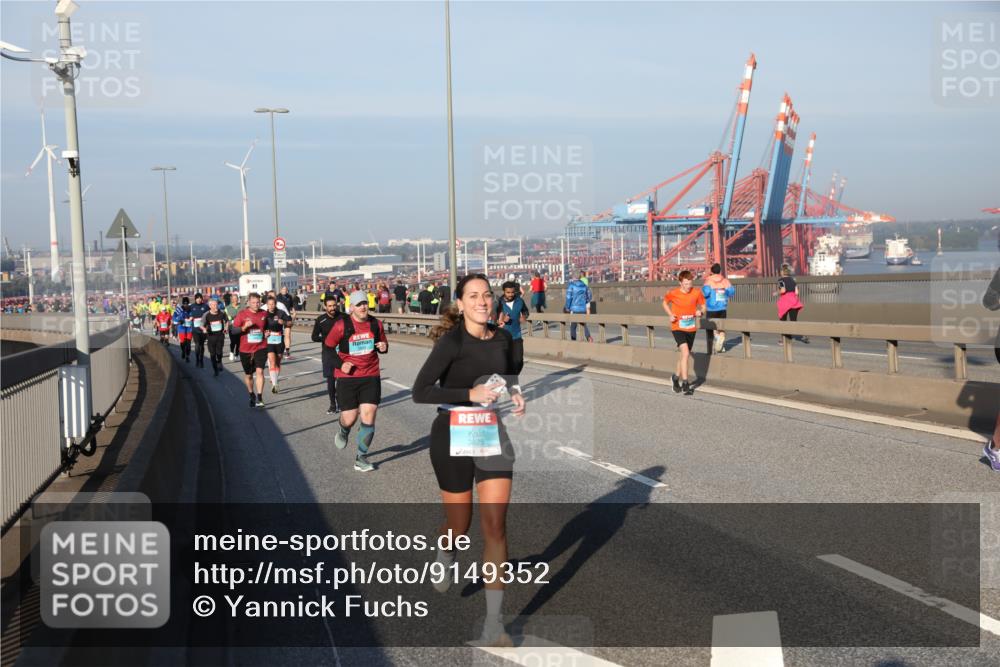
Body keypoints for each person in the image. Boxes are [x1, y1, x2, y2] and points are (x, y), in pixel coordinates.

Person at [411, 274, 526, 647]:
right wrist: (468, 393)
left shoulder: (504, 338)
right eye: (473, 296)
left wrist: (515, 392)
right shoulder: (451, 342)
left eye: (487, 295)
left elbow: (508, 373)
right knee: (460, 526)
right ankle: (445, 550)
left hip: (490, 432)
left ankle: (495, 623)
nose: (482, 301)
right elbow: (420, 391)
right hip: (451, 431)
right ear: (459, 304)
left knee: (496, 527)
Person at [325, 290, 389, 472]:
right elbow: (328, 349)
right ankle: (344, 430)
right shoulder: (341, 325)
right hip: (347, 378)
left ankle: (361, 457)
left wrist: (384, 347)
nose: (363, 307)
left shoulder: (376, 324)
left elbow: (382, 344)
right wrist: (341, 363)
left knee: (369, 414)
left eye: (365, 304)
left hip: (370, 375)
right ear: (351, 307)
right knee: (350, 417)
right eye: (359, 304)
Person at [663, 270, 705, 395]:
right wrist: (670, 314)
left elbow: (703, 305)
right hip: (677, 328)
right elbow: (664, 303)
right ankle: (685, 382)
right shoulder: (674, 293)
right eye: (686, 284)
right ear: (680, 283)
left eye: (690, 284)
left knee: (683, 356)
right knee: (686, 353)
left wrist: (701, 312)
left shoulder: (696, 293)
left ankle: (675, 378)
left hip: (691, 328)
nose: (688, 286)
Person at [233, 292, 269, 408]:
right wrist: (244, 327)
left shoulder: (264, 314)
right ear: (248, 302)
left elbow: (267, 327)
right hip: (245, 349)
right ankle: (251, 394)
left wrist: (267, 333)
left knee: (260, 371)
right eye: (253, 302)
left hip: (261, 347)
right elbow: (233, 331)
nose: (256, 304)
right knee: (248, 375)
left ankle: (259, 397)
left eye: (258, 302)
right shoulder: (242, 314)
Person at [312, 296, 342, 414]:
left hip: (342, 352)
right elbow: (314, 337)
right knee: (331, 380)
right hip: (328, 353)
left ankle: (341, 402)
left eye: (334, 305)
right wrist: (327, 338)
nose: (332, 308)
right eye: (329, 306)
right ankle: (333, 404)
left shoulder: (343, 317)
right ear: (325, 306)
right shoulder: (320, 320)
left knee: (341, 379)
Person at [495, 281, 530, 374]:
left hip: (516, 335)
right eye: (508, 292)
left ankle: (512, 378)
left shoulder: (520, 301)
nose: (510, 294)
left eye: (512, 292)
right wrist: (501, 319)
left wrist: (524, 316)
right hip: (502, 337)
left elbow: (526, 311)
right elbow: (492, 319)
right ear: (503, 291)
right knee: (504, 363)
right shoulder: (499, 303)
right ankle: (509, 380)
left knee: (519, 361)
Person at [702, 263, 735, 354]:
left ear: (711, 271)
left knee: (711, 328)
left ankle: (715, 341)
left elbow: (706, 293)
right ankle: (721, 346)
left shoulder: (708, 281)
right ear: (720, 271)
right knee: (721, 327)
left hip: (712, 308)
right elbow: (731, 292)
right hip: (722, 308)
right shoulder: (725, 280)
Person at [264, 294, 292, 393]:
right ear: (267, 305)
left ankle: (275, 379)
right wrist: (264, 333)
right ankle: (275, 384)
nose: (271, 306)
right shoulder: (264, 314)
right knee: (272, 361)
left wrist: (283, 323)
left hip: (279, 339)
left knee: (278, 362)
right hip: (269, 340)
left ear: (275, 304)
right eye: (269, 304)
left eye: (273, 304)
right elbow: (260, 327)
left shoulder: (281, 313)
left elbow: (290, 323)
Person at [776, 265, 808, 344]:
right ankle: (802, 335)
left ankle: (784, 340)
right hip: (794, 301)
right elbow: (797, 292)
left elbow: (783, 290)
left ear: (782, 272)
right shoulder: (793, 280)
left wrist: (776, 292)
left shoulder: (780, 280)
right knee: (793, 321)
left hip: (785, 302)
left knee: (783, 321)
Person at [202, 297, 229, 376]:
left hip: (220, 336)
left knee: (219, 352)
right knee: (212, 354)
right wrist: (204, 329)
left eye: (216, 305)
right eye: (213, 305)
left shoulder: (222, 313)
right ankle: (215, 370)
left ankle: (219, 361)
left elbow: (227, 321)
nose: (216, 307)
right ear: (210, 306)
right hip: (210, 337)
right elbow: (201, 325)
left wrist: (226, 328)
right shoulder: (206, 315)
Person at [564, 274, 593, 342]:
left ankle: (573, 341)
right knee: (583, 324)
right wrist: (585, 302)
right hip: (583, 308)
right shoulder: (584, 285)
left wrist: (567, 307)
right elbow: (589, 296)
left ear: (573, 277)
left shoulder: (571, 285)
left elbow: (568, 297)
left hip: (574, 309)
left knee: (573, 326)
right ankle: (588, 337)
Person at [189, 293, 210, 369]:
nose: (199, 299)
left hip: (203, 329)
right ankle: (197, 359)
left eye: (200, 298)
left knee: (202, 345)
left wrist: (208, 326)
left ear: (202, 299)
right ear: (195, 299)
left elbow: (209, 315)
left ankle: (201, 359)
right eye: (197, 298)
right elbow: (187, 314)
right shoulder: (191, 306)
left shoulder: (205, 306)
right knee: (197, 344)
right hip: (195, 329)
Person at [277, 286, 297, 359]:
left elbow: (292, 306)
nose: (284, 290)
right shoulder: (277, 297)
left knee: (287, 334)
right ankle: (279, 349)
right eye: (283, 289)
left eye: (285, 289)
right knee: (280, 335)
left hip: (287, 317)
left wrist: (294, 312)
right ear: (280, 290)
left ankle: (288, 351)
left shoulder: (289, 297)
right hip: (280, 317)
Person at [173, 296, 193, 363]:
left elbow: (194, 316)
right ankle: (183, 351)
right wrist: (179, 320)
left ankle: (187, 356)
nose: (185, 305)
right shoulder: (179, 309)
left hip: (189, 328)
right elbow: (174, 318)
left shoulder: (190, 309)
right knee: (183, 342)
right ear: (182, 304)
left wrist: (191, 318)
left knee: (188, 343)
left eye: (186, 304)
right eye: (184, 304)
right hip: (181, 328)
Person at [225, 297, 241, 361]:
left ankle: (237, 354)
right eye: (233, 299)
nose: (235, 300)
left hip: (240, 327)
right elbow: (227, 319)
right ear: (231, 300)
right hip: (232, 327)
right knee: (233, 341)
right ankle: (231, 352)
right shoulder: (227, 308)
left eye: (236, 299)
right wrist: (226, 328)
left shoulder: (241, 307)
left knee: (239, 342)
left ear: (238, 299)